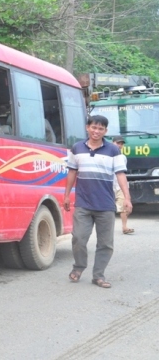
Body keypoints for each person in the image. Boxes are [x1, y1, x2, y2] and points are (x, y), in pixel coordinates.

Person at [63, 115, 132, 289]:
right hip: (83, 204)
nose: (96, 131)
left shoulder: (113, 150)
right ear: (88, 127)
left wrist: (127, 198)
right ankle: (78, 267)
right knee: (78, 238)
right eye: (94, 127)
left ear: (105, 131)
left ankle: (98, 275)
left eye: (101, 129)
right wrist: (66, 195)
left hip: (105, 205)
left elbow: (121, 175)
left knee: (106, 243)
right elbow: (72, 173)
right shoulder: (77, 148)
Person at [113, 136, 134, 234]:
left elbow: (121, 173)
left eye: (121, 143)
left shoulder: (123, 157)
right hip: (108, 185)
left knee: (123, 206)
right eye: (118, 143)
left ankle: (124, 227)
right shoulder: (107, 155)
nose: (120, 145)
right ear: (113, 143)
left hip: (119, 185)